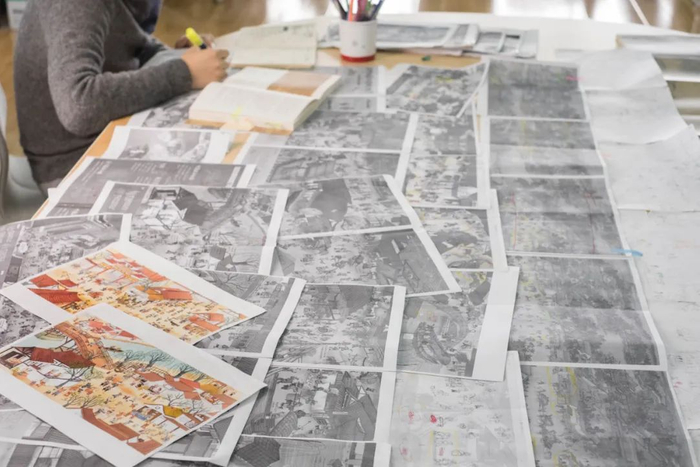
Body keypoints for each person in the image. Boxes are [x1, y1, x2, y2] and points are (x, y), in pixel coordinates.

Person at [13, 0, 228, 193]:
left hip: (105, 134)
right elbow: (79, 105)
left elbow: (126, 44)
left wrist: (174, 56)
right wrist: (184, 72)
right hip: (73, 163)